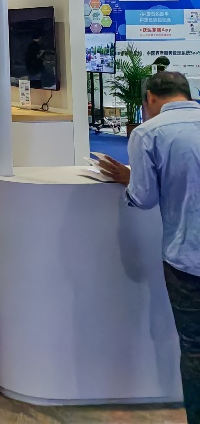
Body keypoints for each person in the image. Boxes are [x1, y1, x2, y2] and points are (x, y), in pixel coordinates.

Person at [99, 71, 200, 422]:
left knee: (195, 348)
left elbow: (143, 199)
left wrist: (131, 181)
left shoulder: (149, 132)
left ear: (151, 99)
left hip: (188, 258)